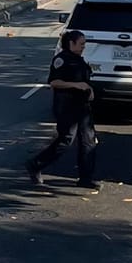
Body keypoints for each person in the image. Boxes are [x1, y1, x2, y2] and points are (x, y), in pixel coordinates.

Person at [27, 29, 97, 188]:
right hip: (66, 105)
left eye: (84, 44)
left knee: (88, 141)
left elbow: (85, 80)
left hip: (82, 107)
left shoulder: (79, 60)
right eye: (81, 44)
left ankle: (86, 178)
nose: (83, 47)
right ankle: (35, 164)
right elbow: (54, 82)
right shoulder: (62, 60)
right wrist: (76, 85)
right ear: (71, 43)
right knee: (66, 140)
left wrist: (89, 89)